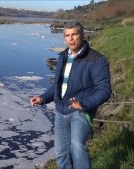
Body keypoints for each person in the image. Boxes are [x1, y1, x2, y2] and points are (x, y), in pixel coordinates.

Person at [30, 21, 111, 169]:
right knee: (61, 154)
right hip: (61, 112)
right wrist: (43, 98)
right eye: (67, 35)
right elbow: (58, 86)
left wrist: (84, 103)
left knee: (77, 146)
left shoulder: (97, 60)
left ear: (83, 35)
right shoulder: (62, 57)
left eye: (74, 34)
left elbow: (104, 89)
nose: (71, 39)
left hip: (80, 110)